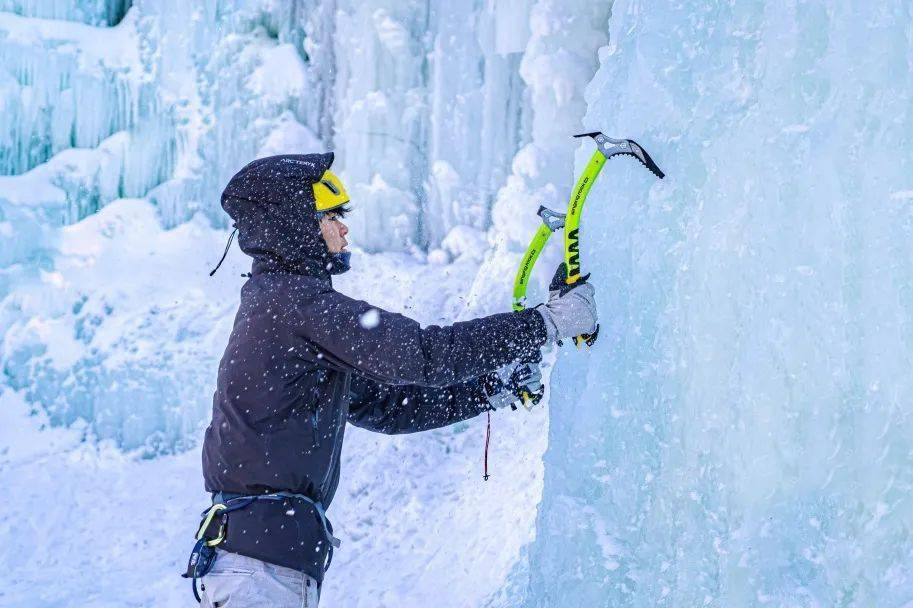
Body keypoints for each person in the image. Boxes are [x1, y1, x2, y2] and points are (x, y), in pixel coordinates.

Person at [190, 152, 597, 606]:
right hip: (256, 572)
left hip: (260, 562)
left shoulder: (281, 305)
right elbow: (423, 354)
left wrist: (490, 388)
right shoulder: (294, 304)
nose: (344, 228)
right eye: (332, 215)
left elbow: (389, 407)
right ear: (295, 223)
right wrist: (548, 323)